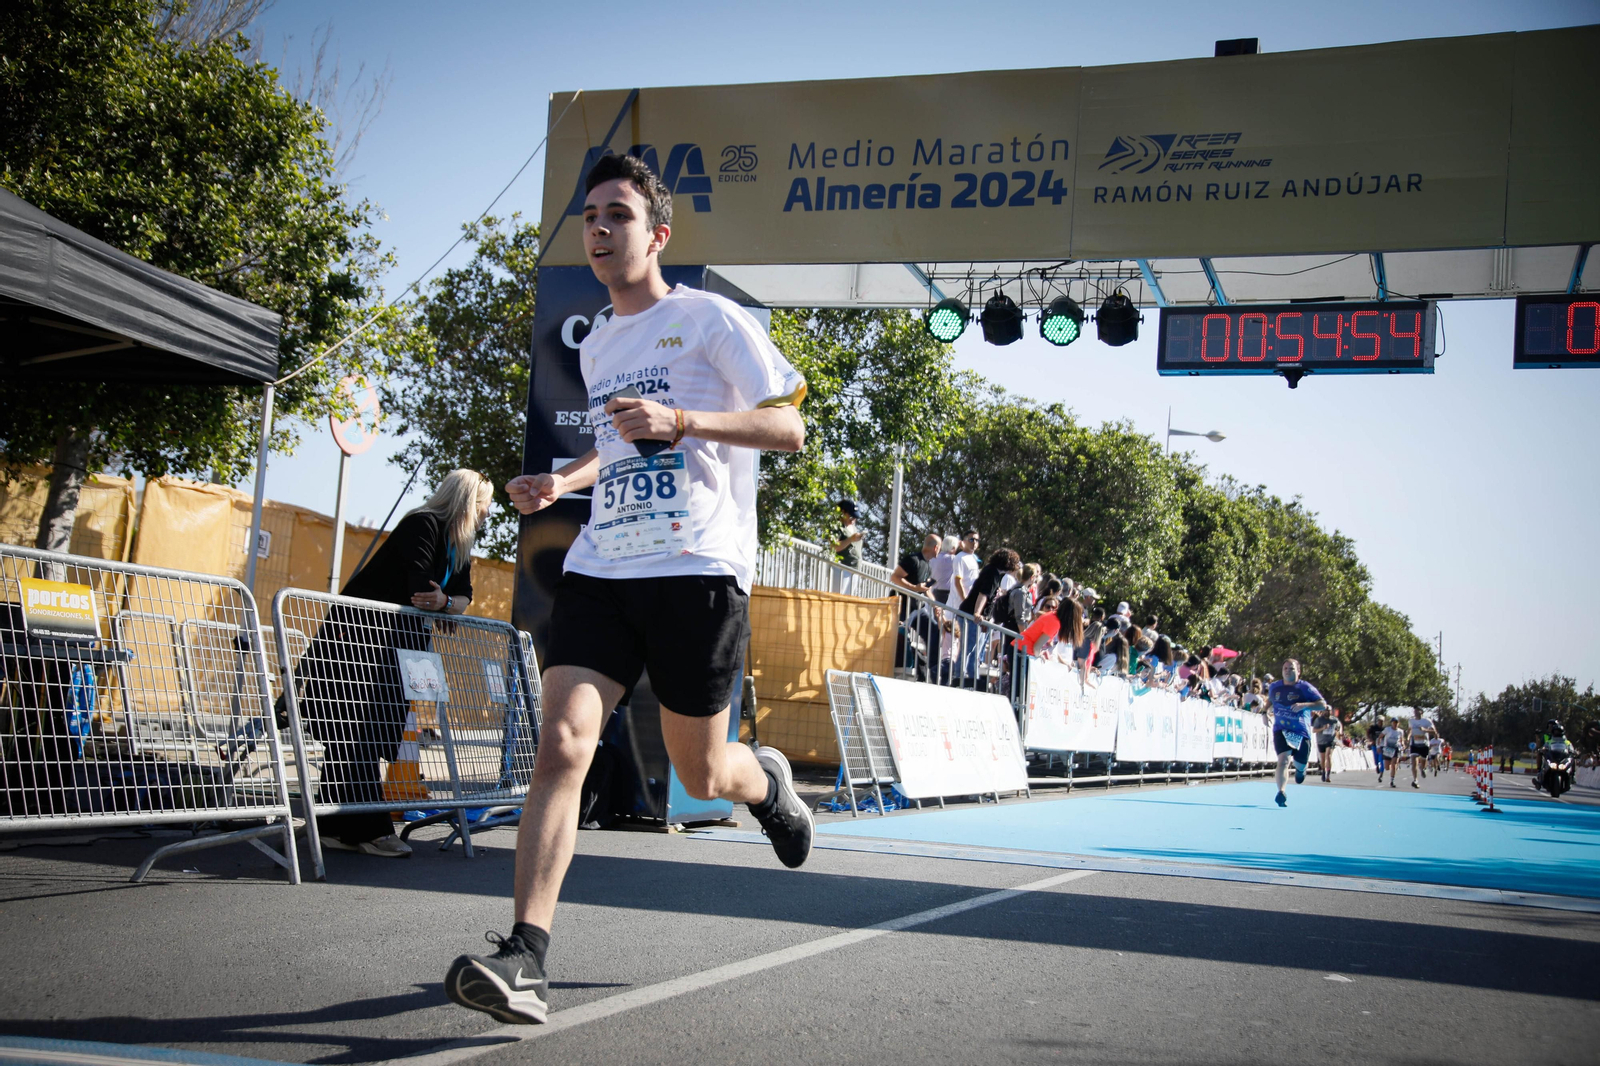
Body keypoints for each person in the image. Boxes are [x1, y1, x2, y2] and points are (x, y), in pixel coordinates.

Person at [444, 153, 811, 1026]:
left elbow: (788, 425)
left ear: (659, 235)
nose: (601, 229)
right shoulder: (602, 339)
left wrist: (684, 419)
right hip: (605, 567)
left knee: (701, 768)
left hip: (697, 570)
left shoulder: (709, 319)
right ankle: (525, 955)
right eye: (592, 217)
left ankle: (762, 779)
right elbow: (618, 447)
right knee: (564, 743)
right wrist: (560, 486)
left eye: (619, 214)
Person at [286, 469, 493, 857]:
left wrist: (448, 604)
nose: (487, 515)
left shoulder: (458, 544)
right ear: (468, 502)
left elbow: (462, 596)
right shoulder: (422, 524)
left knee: (367, 734)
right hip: (358, 641)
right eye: (485, 506)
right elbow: (420, 591)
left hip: (397, 648)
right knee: (355, 732)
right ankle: (372, 830)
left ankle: (332, 825)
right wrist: (446, 605)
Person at [1267, 658, 1329, 807]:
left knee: (1299, 764)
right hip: (1281, 729)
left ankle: (1301, 770)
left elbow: (1322, 705)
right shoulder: (1274, 687)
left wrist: (1304, 705)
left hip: (1301, 732)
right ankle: (1281, 792)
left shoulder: (1305, 688)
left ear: (1298, 672)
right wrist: (1264, 712)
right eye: (1285, 668)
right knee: (1283, 760)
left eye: (1291, 669)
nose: (1288, 671)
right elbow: (1270, 701)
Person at [957, 548, 1020, 689]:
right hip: (970, 615)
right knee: (969, 650)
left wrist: (985, 618)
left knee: (975, 651)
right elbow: (983, 594)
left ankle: (969, 680)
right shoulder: (992, 573)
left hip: (979, 617)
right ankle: (962, 679)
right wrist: (977, 613)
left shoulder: (995, 573)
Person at [890, 533, 939, 599]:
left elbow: (927, 590)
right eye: (940, 548)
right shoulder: (913, 560)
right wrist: (914, 588)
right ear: (935, 548)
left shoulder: (928, 566)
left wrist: (936, 606)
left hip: (914, 606)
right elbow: (895, 577)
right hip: (900, 604)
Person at [831, 499, 863, 596]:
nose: (853, 519)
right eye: (851, 516)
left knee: (847, 599)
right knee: (838, 597)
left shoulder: (854, 528)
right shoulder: (837, 527)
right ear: (843, 512)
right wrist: (850, 539)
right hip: (841, 569)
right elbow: (834, 547)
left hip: (855, 569)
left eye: (855, 517)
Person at [1405, 709, 1436, 789]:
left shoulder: (1427, 721)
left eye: (1417, 711)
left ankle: (1423, 768)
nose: (1415, 712)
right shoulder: (1411, 721)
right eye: (1414, 711)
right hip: (1414, 744)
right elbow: (1409, 730)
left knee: (1423, 761)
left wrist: (1424, 730)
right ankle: (1415, 780)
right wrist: (1408, 738)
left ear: (1421, 712)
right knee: (1414, 762)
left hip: (1424, 744)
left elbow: (1434, 732)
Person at [950, 530, 981, 606]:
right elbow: (958, 581)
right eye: (971, 539)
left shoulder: (973, 558)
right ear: (964, 541)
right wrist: (965, 601)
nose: (974, 542)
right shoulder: (960, 558)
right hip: (961, 604)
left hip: (972, 601)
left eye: (977, 540)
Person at [928, 534, 959, 604]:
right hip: (946, 593)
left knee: (937, 613)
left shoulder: (933, 558)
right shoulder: (953, 559)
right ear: (953, 548)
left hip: (934, 591)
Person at [1314, 708, 1342, 782]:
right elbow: (1314, 730)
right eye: (1326, 710)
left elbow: (1338, 729)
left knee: (1328, 756)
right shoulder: (1319, 720)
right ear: (1323, 711)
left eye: (1329, 710)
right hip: (1321, 741)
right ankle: (1323, 772)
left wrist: (1337, 735)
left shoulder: (1334, 720)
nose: (1327, 712)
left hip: (1330, 741)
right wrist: (1323, 728)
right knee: (1323, 759)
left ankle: (1328, 775)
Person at [1380, 717, 1404, 787]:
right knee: (1387, 767)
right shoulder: (1387, 729)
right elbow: (1380, 736)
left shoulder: (1400, 731)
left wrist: (1403, 744)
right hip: (1388, 748)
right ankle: (1391, 764)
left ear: (1398, 723)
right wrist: (1379, 744)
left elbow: (1402, 740)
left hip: (1396, 748)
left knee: (1394, 765)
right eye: (1394, 722)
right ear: (1391, 723)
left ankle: (1392, 780)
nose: (1395, 724)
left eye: (1396, 722)